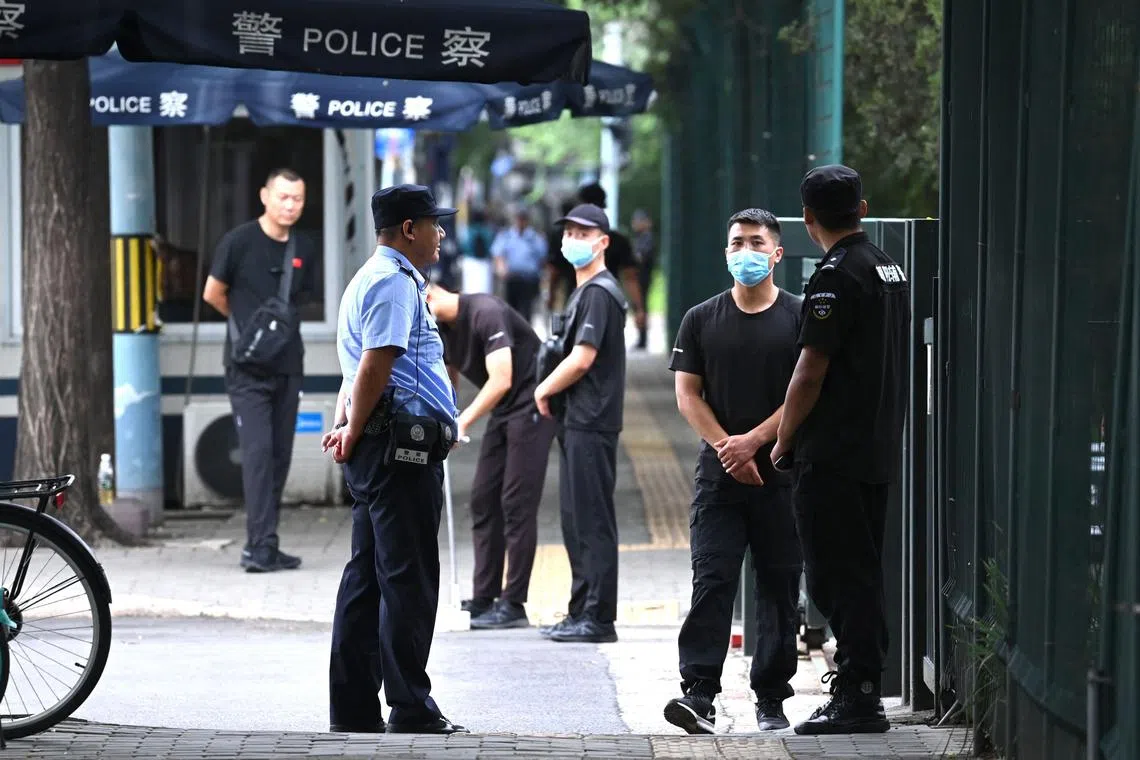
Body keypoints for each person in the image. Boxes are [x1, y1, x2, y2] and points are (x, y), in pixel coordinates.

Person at [771, 165, 911, 735]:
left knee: (836, 575)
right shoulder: (886, 265)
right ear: (863, 206)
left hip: (833, 451)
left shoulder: (834, 275)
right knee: (863, 569)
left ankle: (858, 695)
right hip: (875, 444)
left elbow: (810, 371)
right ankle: (863, 686)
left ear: (807, 220)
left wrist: (783, 441)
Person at [323, 183, 467, 736]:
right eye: (434, 223)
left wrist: (347, 428)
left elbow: (356, 367)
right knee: (406, 579)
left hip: (379, 446)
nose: (441, 233)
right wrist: (354, 430)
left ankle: (354, 710)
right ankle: (410, 707)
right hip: (396, 453)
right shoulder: (391, 283)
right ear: (409, 229)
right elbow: (373, 368)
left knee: (368, 579)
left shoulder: (380, 278)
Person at [664, 208, 804, 735]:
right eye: (736, 243)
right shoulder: (701, 319)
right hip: (719, 479)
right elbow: (686, 394)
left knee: (778, 585)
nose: (744, 251)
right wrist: (728, 448)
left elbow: (803, 395)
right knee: (713, 580)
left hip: (782, 476)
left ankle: (771, 696)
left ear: (777, 253)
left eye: (755, 242)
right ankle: (698, 693)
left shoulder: (799, 317)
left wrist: (754, 443)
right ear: (726, 253)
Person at [202, 167, 315, 574]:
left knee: (281, 454)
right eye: (283, 197)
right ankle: (257, 547)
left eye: (297, 199)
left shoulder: (305, 246)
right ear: (264, 195)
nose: (290, 205)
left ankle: (266, 542)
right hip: (246, 367)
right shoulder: (238, 242)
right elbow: (212, 293)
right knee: (258, 454)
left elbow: (301, 301)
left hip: (288, 366)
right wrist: (248, 329)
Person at [426, 285, 559, 629]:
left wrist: (463, 421)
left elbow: (502, 379)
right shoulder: (440, 328)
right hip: (504, 411)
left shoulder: (486, 313)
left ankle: (513, 603)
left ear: (428, 297)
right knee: (483, 498)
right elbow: (447, 374)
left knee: (516, 502)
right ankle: (484, 597)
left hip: (532, 405)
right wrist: (445, 413)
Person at [534, 203, 628, 644]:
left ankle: (598, 616)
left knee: (591, 520)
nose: (573, 239)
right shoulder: (586, 290)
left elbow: (582, 357)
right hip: (581, 420)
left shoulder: (597, 292)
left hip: (591, 419)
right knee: (575, 518)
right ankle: (580, 609)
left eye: (583, 232)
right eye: (568, 230)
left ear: (603, 241)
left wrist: (543, 389)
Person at [576, 183, 646, 338]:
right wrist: (639, 309)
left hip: (576, 309)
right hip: (608, 308)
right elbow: (630, 278)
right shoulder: (617, 240)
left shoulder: (566, 239)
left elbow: (553, 274)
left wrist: (551, 300)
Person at [491, 207, 548, 322]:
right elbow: (498, 254)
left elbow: (543, 257)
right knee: (510, 310)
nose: (521, 221)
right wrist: (501, 268)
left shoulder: (535, 238)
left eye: (523, 218)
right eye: (519, 218)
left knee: (527, 310)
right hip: (512, 278)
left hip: (529, 279)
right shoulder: (506, 235)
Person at [631, 209, 657, 350]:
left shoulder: (647, 238)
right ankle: (641, 338)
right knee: (639, 307)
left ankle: (643, 339)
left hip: (643, 278)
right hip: (639, 278)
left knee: (641, 307)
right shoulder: (640, 238)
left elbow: (641, 257)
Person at [460, 207, 496, 294]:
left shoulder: (467, 231)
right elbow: (491, 248)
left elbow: (463, 247)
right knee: (484, 291)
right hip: (485, 264)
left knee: (469, 291)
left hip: (470, 262)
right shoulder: (488, 231)